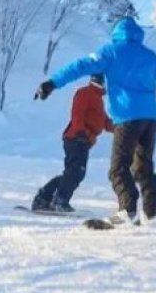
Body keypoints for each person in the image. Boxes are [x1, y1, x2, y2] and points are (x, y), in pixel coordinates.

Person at [36, 17, 156, 226]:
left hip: (127, 116)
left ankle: (127, 210)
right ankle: (154, 211)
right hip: (150, 118)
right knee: (143, 167)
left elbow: (80, 66)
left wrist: (52, 83)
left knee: (118, 168)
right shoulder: (150, 56)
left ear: (117, 33)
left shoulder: (110, 52)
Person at [31, 73, 112, 213]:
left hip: (83, 140)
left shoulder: (98, 99)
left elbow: (104, 122)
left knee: (72, 173)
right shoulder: (85, 93)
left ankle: (43, 198)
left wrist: (124, 129)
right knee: (75, 172)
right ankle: (60, 201)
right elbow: (77, 113)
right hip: (76, 138)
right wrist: (80, 132)